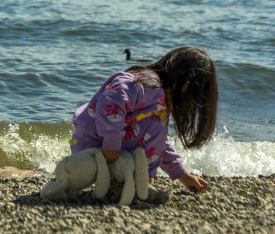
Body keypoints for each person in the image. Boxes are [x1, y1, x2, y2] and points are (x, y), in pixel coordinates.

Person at [70, 46, 217, 197]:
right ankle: (118, 184)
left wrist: (182, 175)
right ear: (186, 82)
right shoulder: (149, 84)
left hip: (106, 153)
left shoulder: (160, 103)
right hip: (95, 148)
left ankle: (121, 182)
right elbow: (112, 99)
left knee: (158, 128)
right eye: (195, 95)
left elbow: (159, 143)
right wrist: (111, 143)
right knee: (155, 127)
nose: (192, 103)